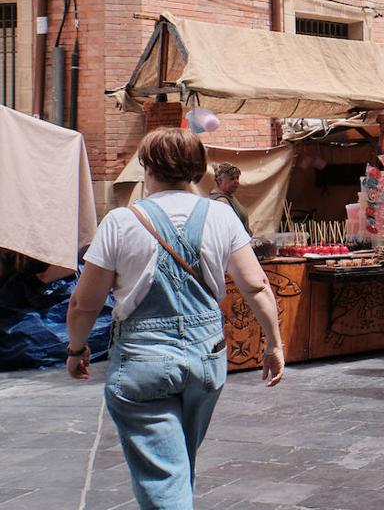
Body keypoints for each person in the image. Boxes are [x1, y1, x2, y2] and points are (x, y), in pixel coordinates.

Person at [66, 129, 285, 509]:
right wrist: (274, 344)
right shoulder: (221, 216)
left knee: (164, 476)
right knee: (178, 463)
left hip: (142, 360)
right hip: (207, 358)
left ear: (147, 168)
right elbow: (257, 286)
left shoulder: (120, 221)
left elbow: (83, 305)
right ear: (199, 170)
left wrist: (76, 348)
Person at [209, 162, 251, 234]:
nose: (236, 182)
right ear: (220, 180)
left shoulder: (228, 195)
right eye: (232, 179)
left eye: (237, 178)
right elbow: (226, 232)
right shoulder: (221, 201)